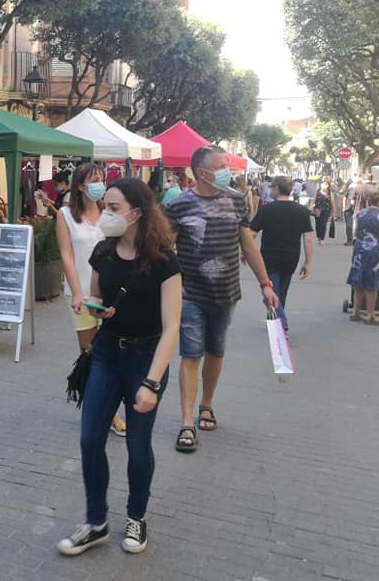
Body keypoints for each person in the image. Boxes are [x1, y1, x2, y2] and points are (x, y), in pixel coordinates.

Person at [57, 177, 181, 556]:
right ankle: (96, 522)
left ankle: (136, 517)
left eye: (113, 208)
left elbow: (172, 326)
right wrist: (91, 306)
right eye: (104, 206)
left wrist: (152, 382)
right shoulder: (103, 252)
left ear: (137, 213)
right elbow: (97, 296)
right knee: (90, 439)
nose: (105, 215)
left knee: (139, 446)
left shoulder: (163, 261)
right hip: (107, 354)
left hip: (145, 359)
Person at [163, 145, 277, 453]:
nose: (228, 170)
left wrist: (266, 284)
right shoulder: (179, 205)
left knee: (216, 351)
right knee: (190, 355)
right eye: (221, 165)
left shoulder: (238, 201)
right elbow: (164, 248)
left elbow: (249, 248)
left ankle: (206, 404)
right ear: (201, 173)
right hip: (190, 294)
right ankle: (187, 422)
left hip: (226, 293)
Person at [55, 163, 126, 436]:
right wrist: (75, 292)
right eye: (94, 180)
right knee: (92, 352)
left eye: (102, 179)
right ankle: (104, 411)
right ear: (81, 186)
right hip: (83, 295)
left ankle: (107, 406)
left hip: (113, 295)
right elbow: (66, 255)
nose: (100, 184)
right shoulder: (65, 215)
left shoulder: (111, 213)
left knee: (115, 352)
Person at [249, 175, 313, 335]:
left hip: (269, 258)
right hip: (291, 258)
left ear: (277, 188)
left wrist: (246, 252)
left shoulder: (266, 209)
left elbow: (252, 233)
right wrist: (308, 262)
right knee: (281, 291)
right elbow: (308, 238)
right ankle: (275, 319)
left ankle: (281, 325)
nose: (270, 190)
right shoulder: (302, 211)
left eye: (271, 187)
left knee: (274, 290)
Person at [348, 188, 379, 323]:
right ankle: (370, 314)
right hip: (374, 249)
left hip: (359, 248)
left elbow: (355, 231)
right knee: (372, 281)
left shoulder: (361, 213)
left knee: (358, 279)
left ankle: (355, 312)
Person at [309, 178, 333, 245]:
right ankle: (319, 236)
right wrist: (311, 207)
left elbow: (332, 203)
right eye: (323, 183)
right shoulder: (317, 191)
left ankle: (322, 238)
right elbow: (313, 200)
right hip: (317, 210)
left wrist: (333, 214)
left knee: (323, 224)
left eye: (325, 184)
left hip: (326, 210)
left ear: (328, 185)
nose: (324, 185)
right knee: (318, 225)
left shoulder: (330, 192)